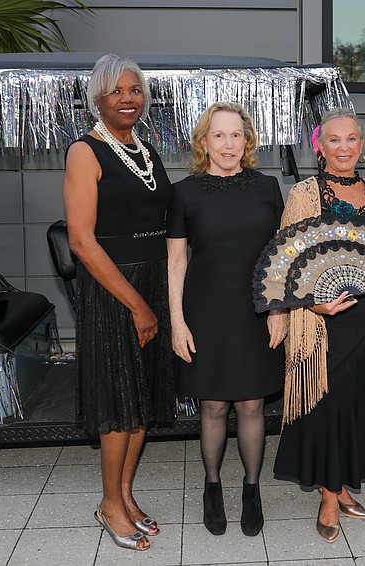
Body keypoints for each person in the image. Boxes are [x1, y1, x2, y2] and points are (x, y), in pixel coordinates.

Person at [63, 54, 175, 552]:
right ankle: (109, 504)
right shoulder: (85, 152)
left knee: (142, 401)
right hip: (116, 291)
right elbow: (83, 242)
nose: (128, 98)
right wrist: (137, 305)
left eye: (135, 89)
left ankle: (125, 496)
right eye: (116, 91)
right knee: (119, 402)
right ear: (97, 99)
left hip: (150, 283)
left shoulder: (145, 150)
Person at [272, 108, 365, 543]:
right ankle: (328, 496)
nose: (344, 148)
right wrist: (313, 305)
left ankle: (339, 485)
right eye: (335, 140)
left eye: (353, 139)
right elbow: (288, 262)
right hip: (323, 323)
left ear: (362, 146)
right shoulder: (305, 194)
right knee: (326, 403)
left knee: (353, 401)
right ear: (320, 148)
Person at [167, 102, 286, 537]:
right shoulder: (184, 193)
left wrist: (279, 310)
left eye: (236, 135)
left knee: (252, 403)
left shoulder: (268, 188)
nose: (228, 144)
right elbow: (176, 262)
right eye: (218, 135)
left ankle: (251, 489)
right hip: (206, 311)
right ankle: (212, 485)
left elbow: (281, 257)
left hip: (255, 311)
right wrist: (177, 322)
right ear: (204, 142)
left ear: (247, 140)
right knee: (214, 404)